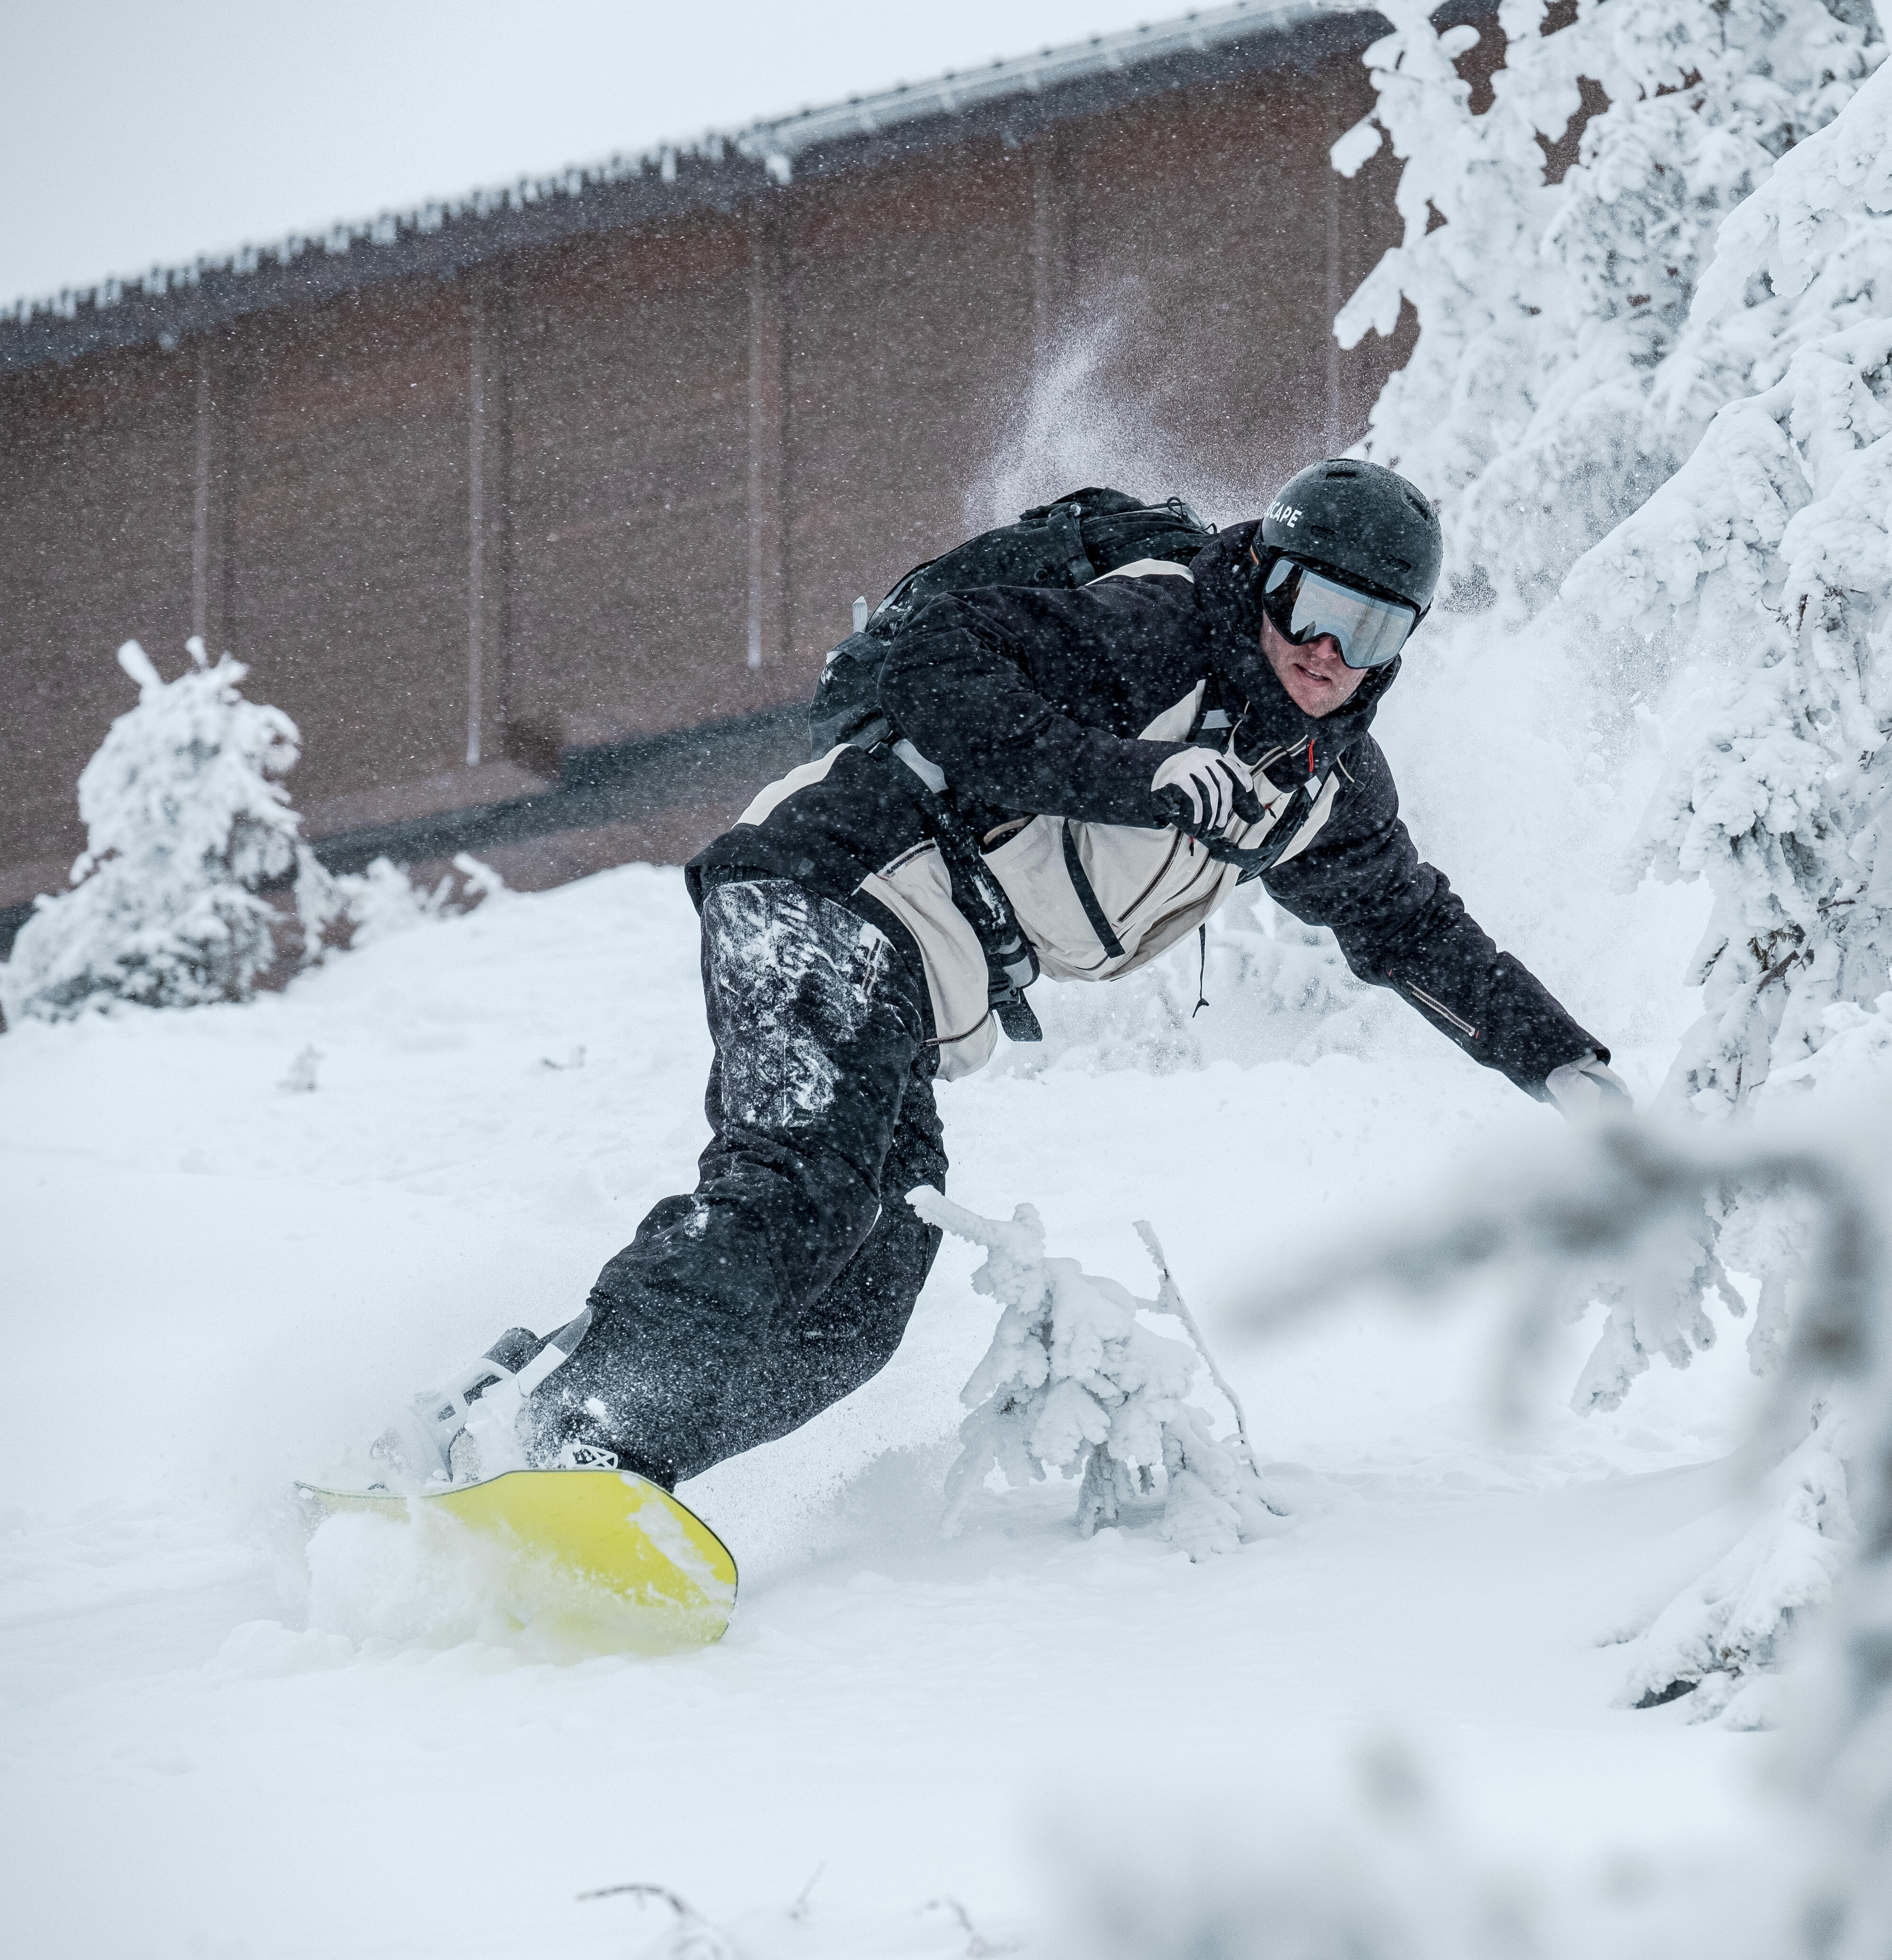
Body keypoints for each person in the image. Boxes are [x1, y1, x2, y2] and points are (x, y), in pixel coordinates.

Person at [408, 459, 1627, 1493]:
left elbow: (1415, 928)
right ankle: (577, 1440)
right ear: (1266, 578)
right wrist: (1125, 771)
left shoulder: (1317, 791)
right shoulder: (1159, 630)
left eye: (1370, 633)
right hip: (833, 881)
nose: (1325, 651)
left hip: (915, 982)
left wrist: (1564, 1062)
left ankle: (550, 1435)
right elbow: (937, 660)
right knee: (799, 1197)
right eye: (1311, 607)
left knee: (870, 1291)